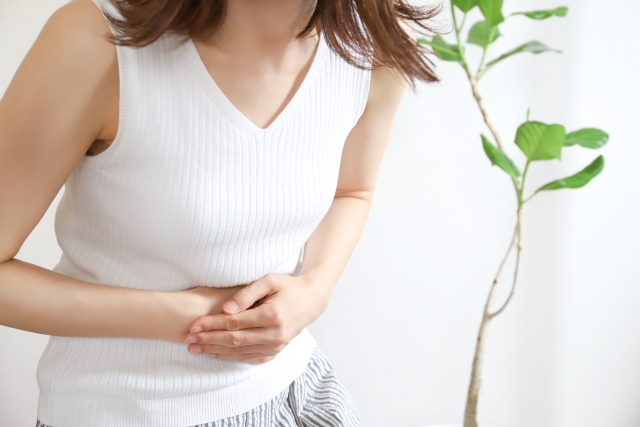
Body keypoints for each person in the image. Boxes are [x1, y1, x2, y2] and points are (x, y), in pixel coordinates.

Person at [0, 0, 440, 425]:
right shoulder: (97, 41)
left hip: (299, 391)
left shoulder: (376, 43)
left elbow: (352, 190)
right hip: (128, 409)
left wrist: (314, 290)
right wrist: (183, 316)